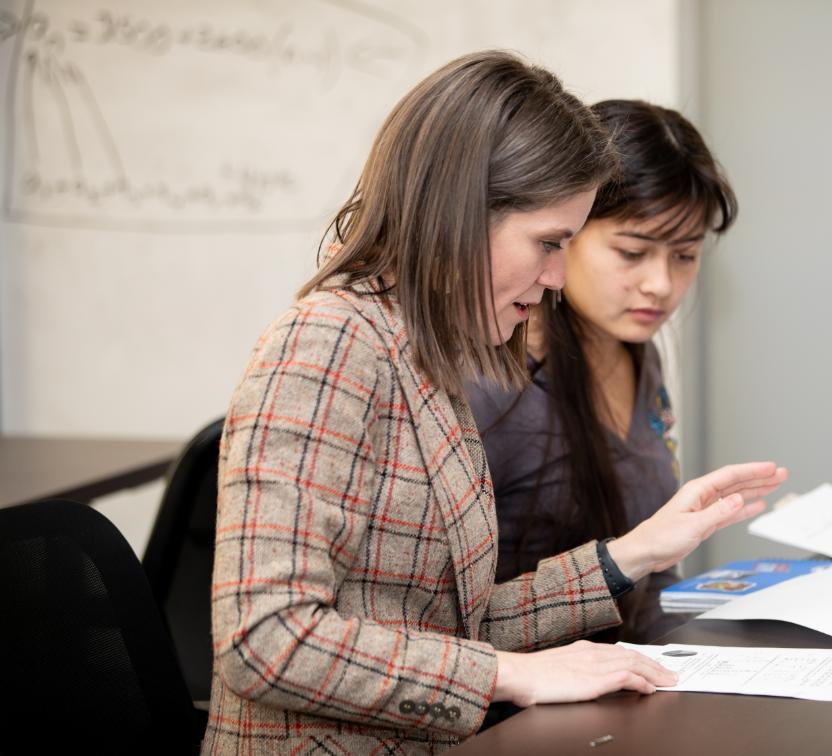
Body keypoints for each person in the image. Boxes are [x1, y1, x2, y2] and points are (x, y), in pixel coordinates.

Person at [202, 52, 787, 754]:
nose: (556, 277)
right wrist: (509, 674)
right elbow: (265, 638)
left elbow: (451, 622)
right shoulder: (328, 342)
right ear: (460, 214)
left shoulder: (430, 351)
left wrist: (629, 555)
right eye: (548, 243)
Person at [469, 99, 739, 643]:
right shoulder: (489, 381)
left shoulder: (641, 355)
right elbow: (446, 625)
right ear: (563, 236)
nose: (660, 285)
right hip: (516, 701)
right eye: (632, 252)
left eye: (684, 256)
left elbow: (653, 578)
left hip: (633, 680)